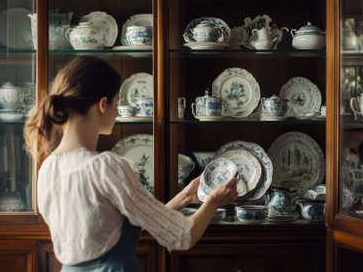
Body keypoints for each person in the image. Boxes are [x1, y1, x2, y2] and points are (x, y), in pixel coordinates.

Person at [23, 55, 238, 271]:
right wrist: (213, 202)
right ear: (103, 104)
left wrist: (185, 197)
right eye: (117, 103)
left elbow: (115, 227)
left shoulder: (48, 169)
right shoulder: (105, 167)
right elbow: (184, 236)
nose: (117, 111)